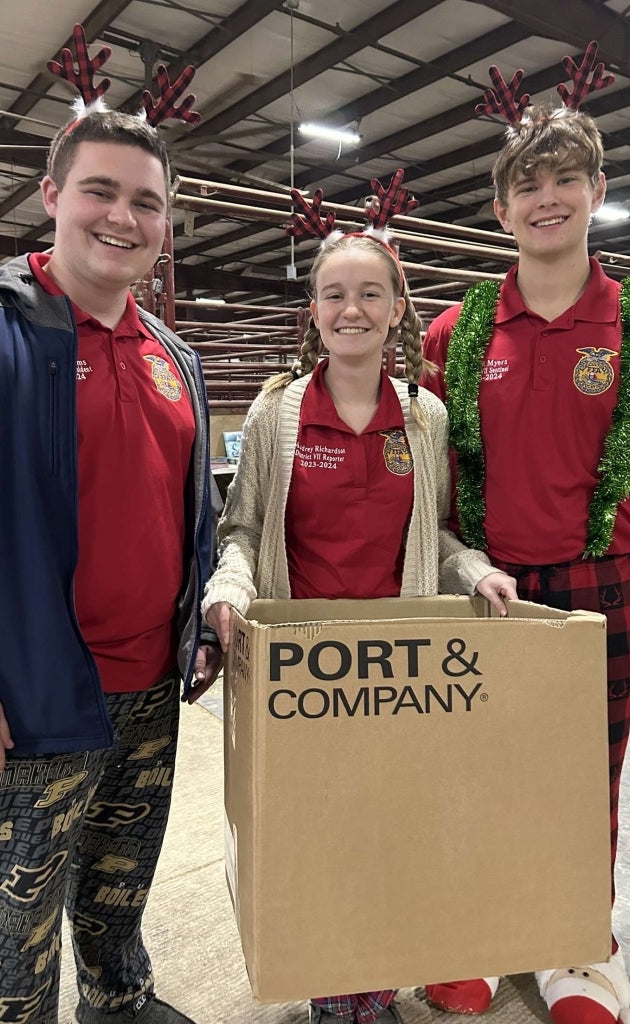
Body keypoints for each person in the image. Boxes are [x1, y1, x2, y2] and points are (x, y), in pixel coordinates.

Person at [0, 107, 222, 1024]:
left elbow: (188, 506)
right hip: (24, 696)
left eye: (147, 201)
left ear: (165, 224)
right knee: (13, 920)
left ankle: (120, 1004)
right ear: (51, 195)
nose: (122, 216)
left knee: (120, 884)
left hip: (147, 687)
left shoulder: (176, 356)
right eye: (100, 190)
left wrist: (197, 618)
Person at [202, 227, 517, 1024]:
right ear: (313, 312)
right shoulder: (276, 413)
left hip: (399, 672)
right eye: (335, 295)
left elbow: (435, 537)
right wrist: (229, 592)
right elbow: (240, 530)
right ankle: (330, 985)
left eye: (370, 293)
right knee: (314, 837)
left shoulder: (427, 419)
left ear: (397, 309)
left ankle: (374, 981)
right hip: (306, 675)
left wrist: (475, 570)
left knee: (391, 830)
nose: (352, 309)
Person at [421, 100, 630, 1024]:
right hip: (484, 589)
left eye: (565, 179)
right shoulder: (454, 336)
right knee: (479, 770)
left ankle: (580, 941)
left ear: (599, 192)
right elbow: (431, 486)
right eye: (526, 185)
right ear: (499, 208)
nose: (546, 199)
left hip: (601, 587)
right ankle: (484, 929)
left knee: (586, 778)